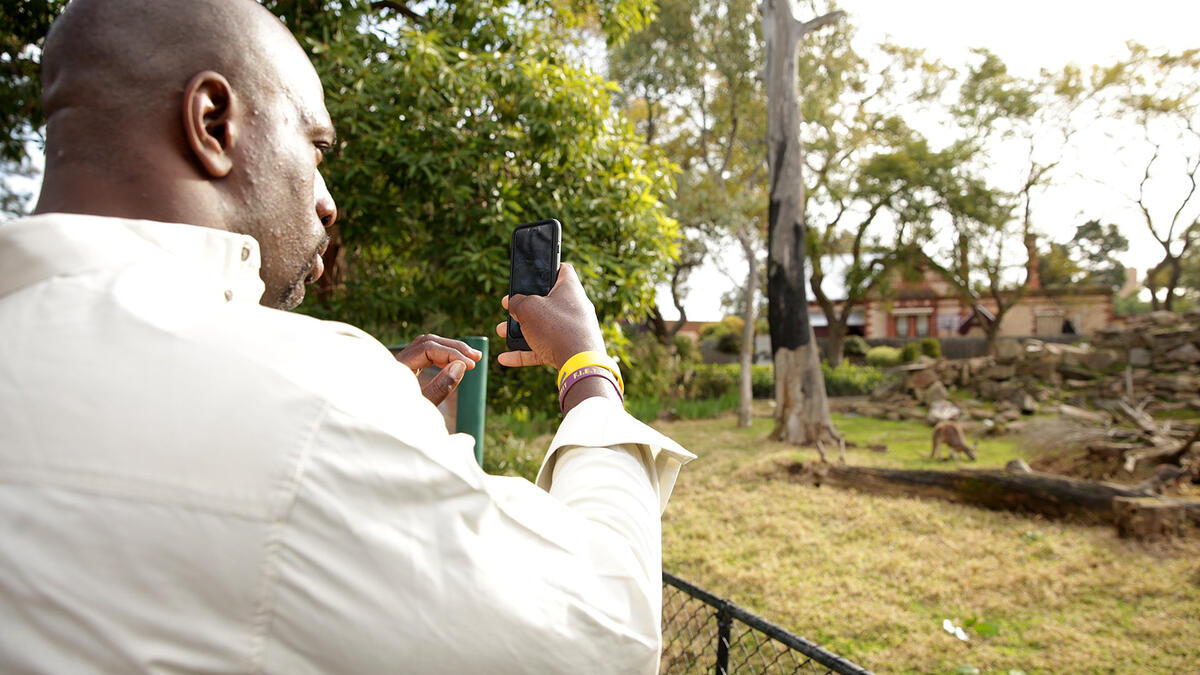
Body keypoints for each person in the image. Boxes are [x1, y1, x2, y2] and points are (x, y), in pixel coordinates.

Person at [0, 0, 693, 672]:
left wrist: (378, 425)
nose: (328, 202)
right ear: (213, 122)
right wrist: (588, 370)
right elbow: (606, 633)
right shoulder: (311, 397)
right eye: (315, 147)